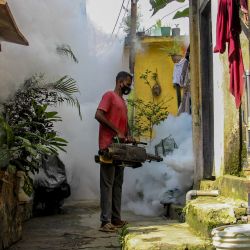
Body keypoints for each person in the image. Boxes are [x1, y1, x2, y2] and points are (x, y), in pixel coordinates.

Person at [95, 71, 133, 232]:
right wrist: (117, 130)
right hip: (108, 147)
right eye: (128, 83)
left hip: (120, 148)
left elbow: (124, 123)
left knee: (117, 184)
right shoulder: (109, 96)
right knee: (107, 185)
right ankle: (105, 222)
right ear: (119, 82)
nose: (129, 86)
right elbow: (98, 114)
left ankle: (116, 219)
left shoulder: (123, 102)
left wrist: (129, 135)